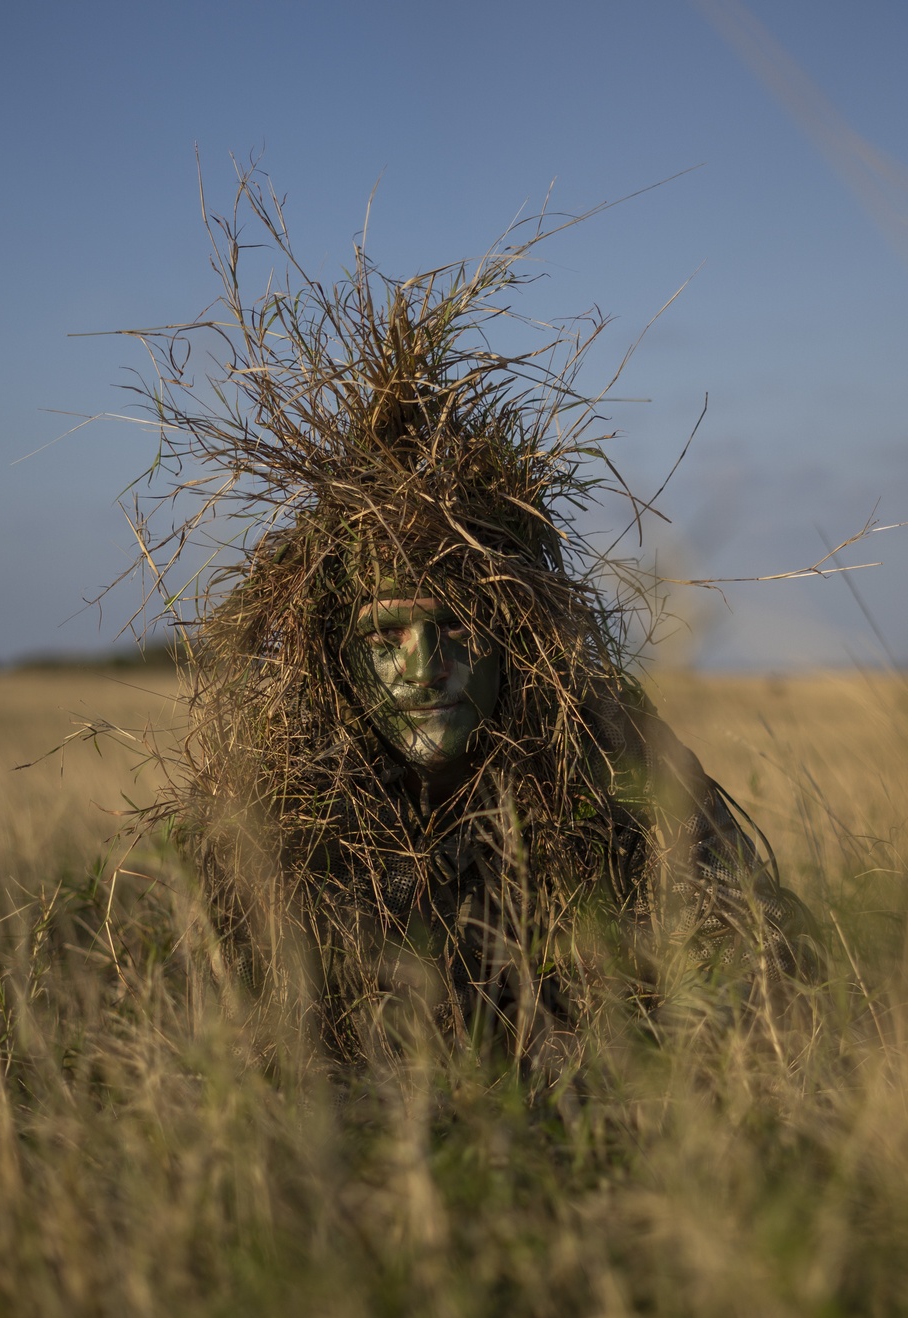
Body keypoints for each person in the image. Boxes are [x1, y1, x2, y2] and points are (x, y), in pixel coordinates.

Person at [150, 191, 820, 1080]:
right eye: (386, 637)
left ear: (521, 638)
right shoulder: (284, 808)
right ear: (332, 657)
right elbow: (221, 1049)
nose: (424, 669)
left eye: (456, 628)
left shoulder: (615, 760)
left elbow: (757, 981)